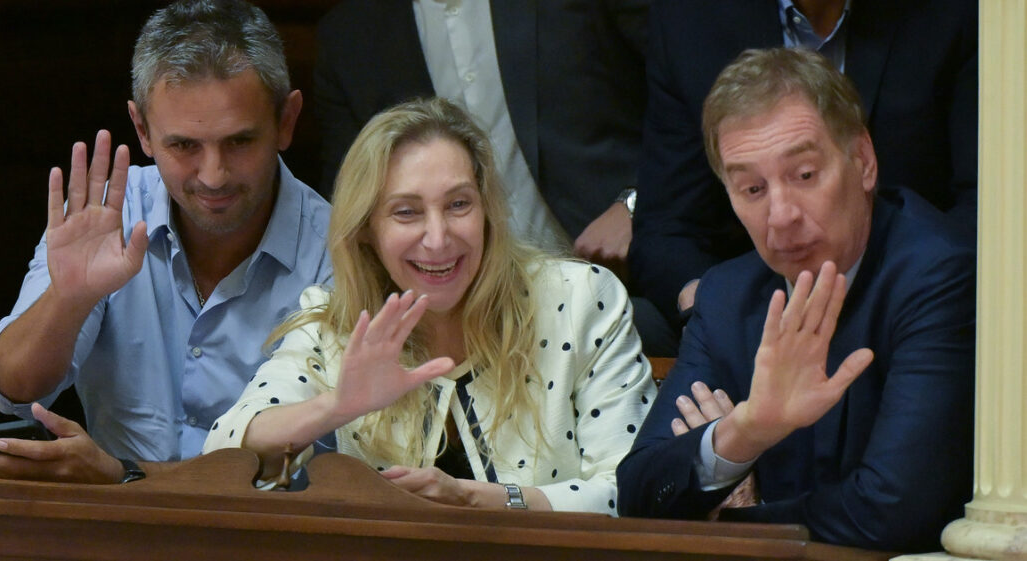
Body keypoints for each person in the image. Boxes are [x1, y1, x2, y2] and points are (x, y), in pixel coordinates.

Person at [204, 98, 656, 514]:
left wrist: (481, 500)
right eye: (406, 212)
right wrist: (336, 406)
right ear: (365, 229)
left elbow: (635, 491)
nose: (438, 240)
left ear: (487, 211)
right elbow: (223, 451)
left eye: (458, 204)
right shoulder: (337, 321)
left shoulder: (579, 300)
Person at [616, 48, 975, 552]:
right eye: (752, 189)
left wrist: (734, 514)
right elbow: (636, 496)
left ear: (863, 160)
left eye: (804, 175)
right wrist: (745, 431)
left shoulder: (938, 275)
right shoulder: (727, 296)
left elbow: (891, 511)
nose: (781, 215)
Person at [0, 0, 332, 484]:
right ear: (141, 129)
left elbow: (307, 476)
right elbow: (12, 389)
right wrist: (68, 299)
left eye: (239, 142)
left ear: (287, 121)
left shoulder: (339, 250)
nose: (213, 175)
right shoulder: (111, 214)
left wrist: (122, 475)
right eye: (184, 145)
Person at [308, 0, 675, 356]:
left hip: (619, 280)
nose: (436, 234)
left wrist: (636, 202)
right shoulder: (349, 32)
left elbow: (688, 103)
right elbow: (348, 202)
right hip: (442, 323)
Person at [629, 0, 978, 329]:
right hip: (757, 310)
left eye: (806, 174)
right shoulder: (690, 16)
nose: (783, 215)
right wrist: (717, 314)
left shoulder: (959, 13)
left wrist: (916, 302)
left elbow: (986, 206)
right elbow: (666, 227)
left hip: (919, 295)